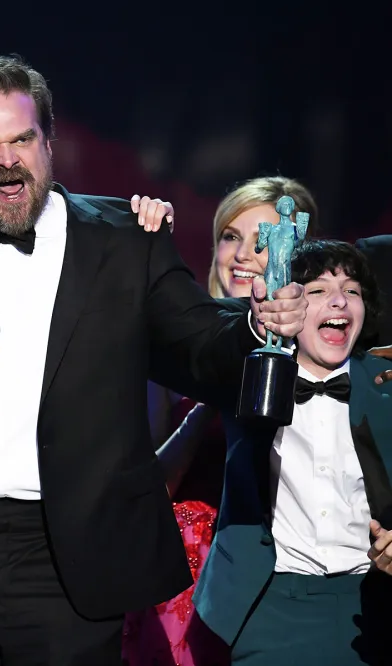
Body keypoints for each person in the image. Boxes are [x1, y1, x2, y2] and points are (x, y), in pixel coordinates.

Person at [0, 54, 308, 665]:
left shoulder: (125, 240)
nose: (8, 160)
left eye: (22, 139)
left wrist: (254, 325)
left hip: (71, 558)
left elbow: (197, 345)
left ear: (49, 141)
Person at [124, 177, 318, 666]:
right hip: (183, 575)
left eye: (263, 240)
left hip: (286, 574)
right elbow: (141, 489)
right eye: (231, 236)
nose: (243, 254)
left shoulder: (321, 356)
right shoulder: (169, 353)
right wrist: (210, 398)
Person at [193, 239, 392, 665]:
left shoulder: (387, 383)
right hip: (268, 607)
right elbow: (188, 333)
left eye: (352, 290)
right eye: (318, 290)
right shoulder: (248, 374)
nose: (339, 300)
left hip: (375, 605)